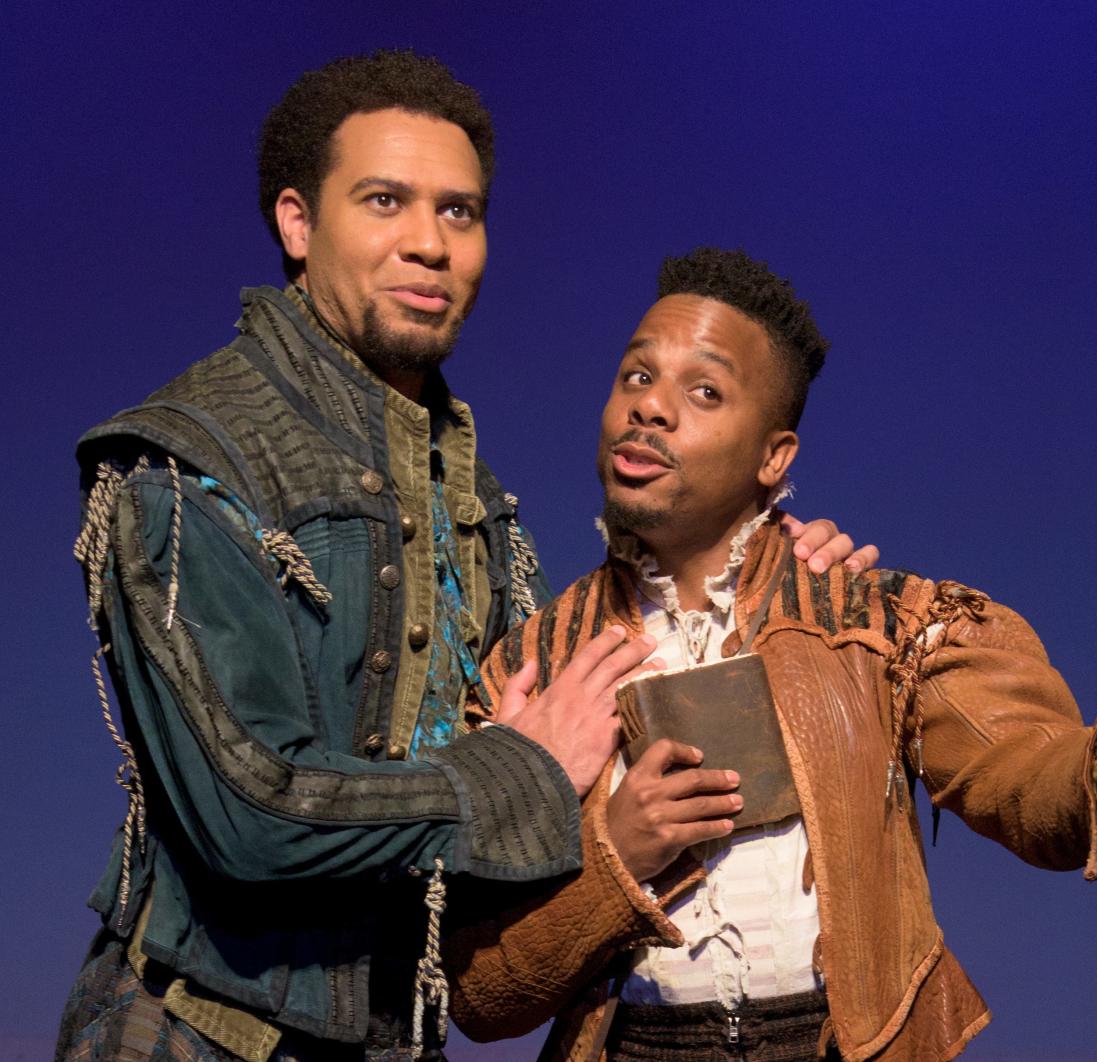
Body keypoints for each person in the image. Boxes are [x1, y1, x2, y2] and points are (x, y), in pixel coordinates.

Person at [56, 54, 869, 1062]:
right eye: (386, 201)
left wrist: (761, 548)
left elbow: (516, 778)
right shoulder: (189, 459)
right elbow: (254, 815)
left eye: (459, 212)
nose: (430, 244)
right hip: (196, 1036)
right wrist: (520, 771)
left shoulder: (471, 504)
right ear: (299, 225)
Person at [445, 248, 1097, 1061]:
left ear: (775, 457)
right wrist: (617, 857)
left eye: (704, 391)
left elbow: (1013, 763)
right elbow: (482, 994)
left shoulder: (873, 621)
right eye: (637, 377)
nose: (652, 410)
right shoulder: (537, 668)